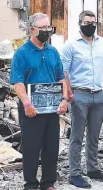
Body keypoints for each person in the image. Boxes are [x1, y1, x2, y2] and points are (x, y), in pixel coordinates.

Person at [11, 13, 69, 190]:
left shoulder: (53, 52)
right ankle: (30, 183)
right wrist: (27, 104)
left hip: (52, 107)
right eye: (43, 28)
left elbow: (61, 78)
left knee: (51, 146)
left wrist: (65, 99)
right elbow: (17, 82)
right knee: (31, 147)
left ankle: (48, 182)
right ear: (33, 30)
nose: (47, 31)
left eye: (48, 27)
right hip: (31, 108)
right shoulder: (22, 53)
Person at [61, 10, 103, 188]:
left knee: (94, 135)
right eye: (86, 22)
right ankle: (74, 173)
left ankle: (93, 168)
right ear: (79, 24)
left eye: (93, 22)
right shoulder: (71, 45)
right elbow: (64, 72)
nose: (90, 25)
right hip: (79, 95)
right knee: (77, 136)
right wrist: (69, 95)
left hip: (98, 94)